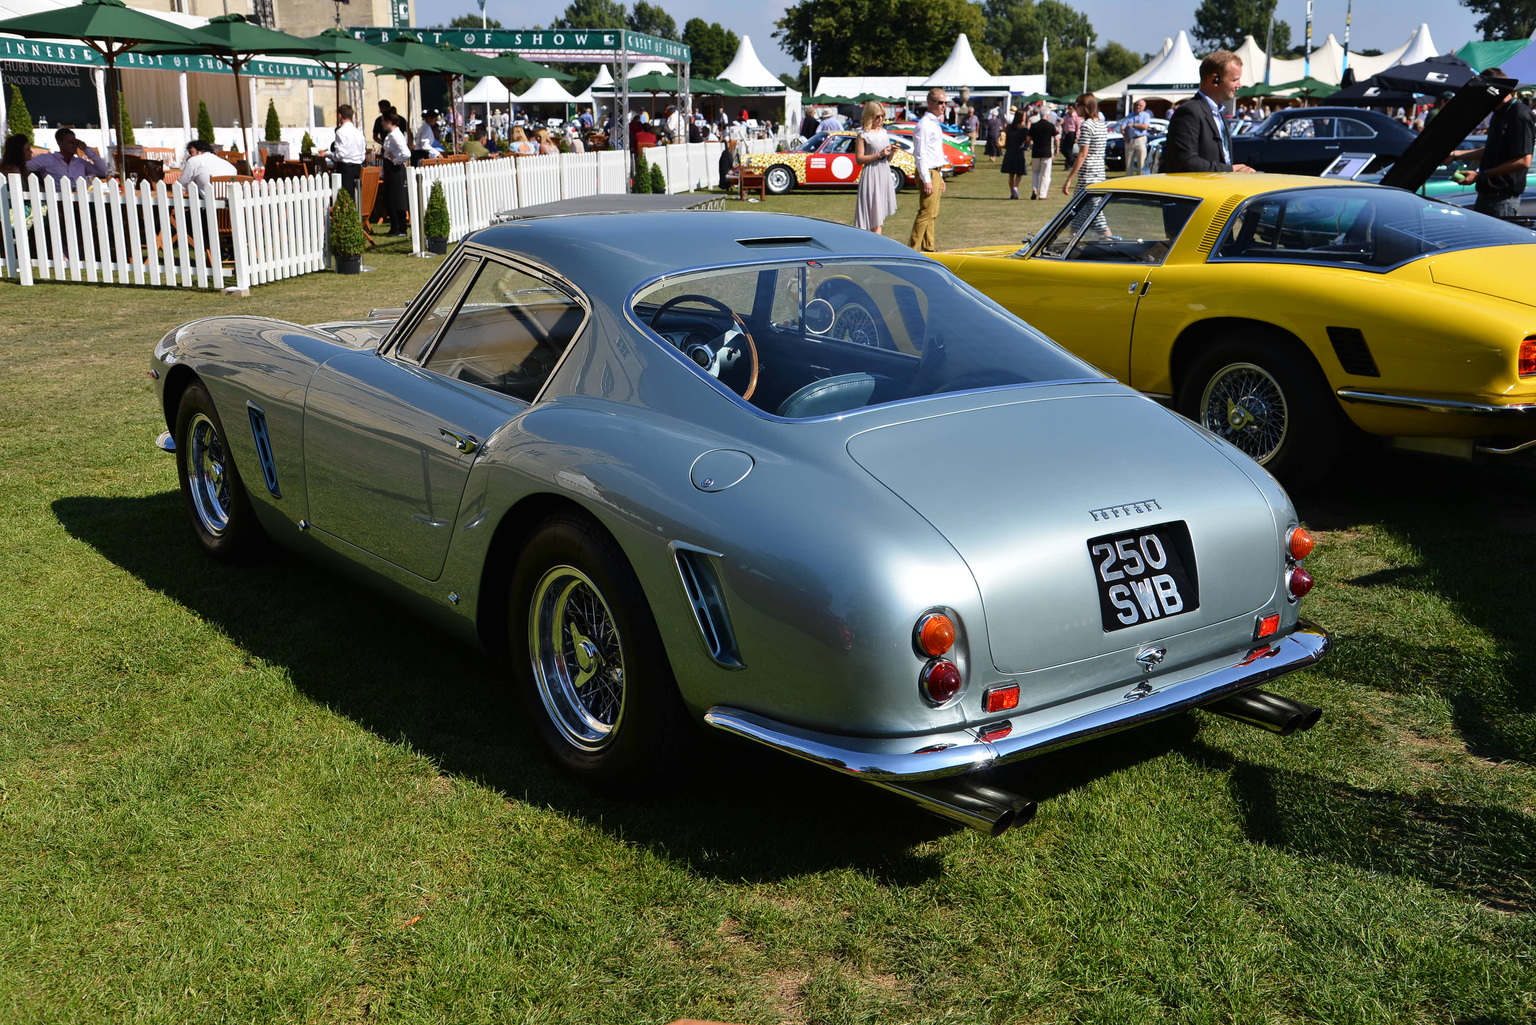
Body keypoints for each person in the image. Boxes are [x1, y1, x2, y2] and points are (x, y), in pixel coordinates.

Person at [1450, 71, 1533, 220]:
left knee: (1497, 243)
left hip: (1503, 199)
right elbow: (1492, 150)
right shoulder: (1498, 113)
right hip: (1487, 195)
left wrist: (1481, 175)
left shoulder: (1520, 115)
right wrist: (1455, 155)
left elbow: (1524, 160)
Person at [1163, 50, 1256, 173]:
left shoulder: (1220, 112)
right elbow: (1186, 162)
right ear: (1215, 79)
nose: (1239, 85)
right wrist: (1230, 170)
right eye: (1235, 80)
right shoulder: (1189, 112)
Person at [1061, 94, 1109, 234]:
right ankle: (1071, 248)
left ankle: (1112, 244)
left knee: (1097, 219)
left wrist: (1069, 179)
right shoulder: (1101, 124)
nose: (1076, 109)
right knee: (1077, 215)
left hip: (1088, 176)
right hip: (1099, 173)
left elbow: (1082, 154)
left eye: (1078, 105)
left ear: (1085, 107)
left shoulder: (1087, 125)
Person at [908, 88, 948, 252]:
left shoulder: (934, 123)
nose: (943, 106)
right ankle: (912, 249)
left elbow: (935, 152)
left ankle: (929, 247)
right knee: (926, 213)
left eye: (945, 102)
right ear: (931, 103)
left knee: (932, 213)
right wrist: (927, 179)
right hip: (928, 171)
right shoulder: (924, 125)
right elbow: (920, 154)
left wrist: (941, 176)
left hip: (935, 171)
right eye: (940, 103)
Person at [853, 101, 898, 234]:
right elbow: (859, 159)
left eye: (882, 116)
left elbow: (887, 159)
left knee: (880, 212)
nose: (880, 119)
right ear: (869, 116)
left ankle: (877, 242)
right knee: (872, 211)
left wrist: (891, 152)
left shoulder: (883, 132)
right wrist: (879, 154)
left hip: (883, 172)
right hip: (871, 173)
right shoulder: (863, 134)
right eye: (877, 116)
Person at [26, 128, 113, 183]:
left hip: (81, 200)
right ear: (60, 142)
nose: (75, 145)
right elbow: (24, 167)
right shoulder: (46, 159)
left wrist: (86, 149)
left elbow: (103, 171)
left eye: (76, 142)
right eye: (71, 142)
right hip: (58, 202)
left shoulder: (80, 162)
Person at [379, 113, 411, 236]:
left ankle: (401, 228)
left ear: (388, 121)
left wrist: (395, 161)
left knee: (397, 198)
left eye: (383, 121)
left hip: (395, 169)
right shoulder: (391, 135)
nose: (381, 123)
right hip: (390, 169)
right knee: (390, 198)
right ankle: (394, 227)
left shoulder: (395, 135)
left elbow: (406, 153)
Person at [329, 103, 366, 199]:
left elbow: (340, 155)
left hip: (345, 168)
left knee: (345, 198)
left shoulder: (340, 132)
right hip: (358, 167)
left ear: (339, 116)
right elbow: (363, 154)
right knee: (355, 196)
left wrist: (326, 154)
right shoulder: (359, 133)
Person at [1028, 110, 1059, 199]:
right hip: (1046, 152)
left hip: (1036, 152)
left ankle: (1035, 189)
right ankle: (1042, 194)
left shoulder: (1034, 125)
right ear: (1047, 116)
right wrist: (1057, 149)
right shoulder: (1050, 126)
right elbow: (1057, 139)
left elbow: (1028, 138)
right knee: (1046, 174)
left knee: (1035, 172)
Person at [1000, 107, 1029, 199]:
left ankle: (1012, 192)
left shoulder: (1009, 127)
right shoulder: (1024, 129)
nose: (1025, 117)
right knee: (1019, 172)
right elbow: (1027, 140)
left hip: (1009, 151)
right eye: (1024, 116)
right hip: (1019, 151)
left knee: (1011, 173)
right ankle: (1015, 187)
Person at [1120, 98, 1152, 175]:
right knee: (1128, 162)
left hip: (1140, 139)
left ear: (1144, 107)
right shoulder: (1130, 116)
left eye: (1140, 105)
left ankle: (1141, 179)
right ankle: (1128, 179)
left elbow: (1145, 126)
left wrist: (1133, 125)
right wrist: (1125, 136)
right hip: (1130, 140)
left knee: (1141, 161)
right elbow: (1122, 127)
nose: (1138, 107)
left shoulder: (1146, 115)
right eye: (1137, 105)